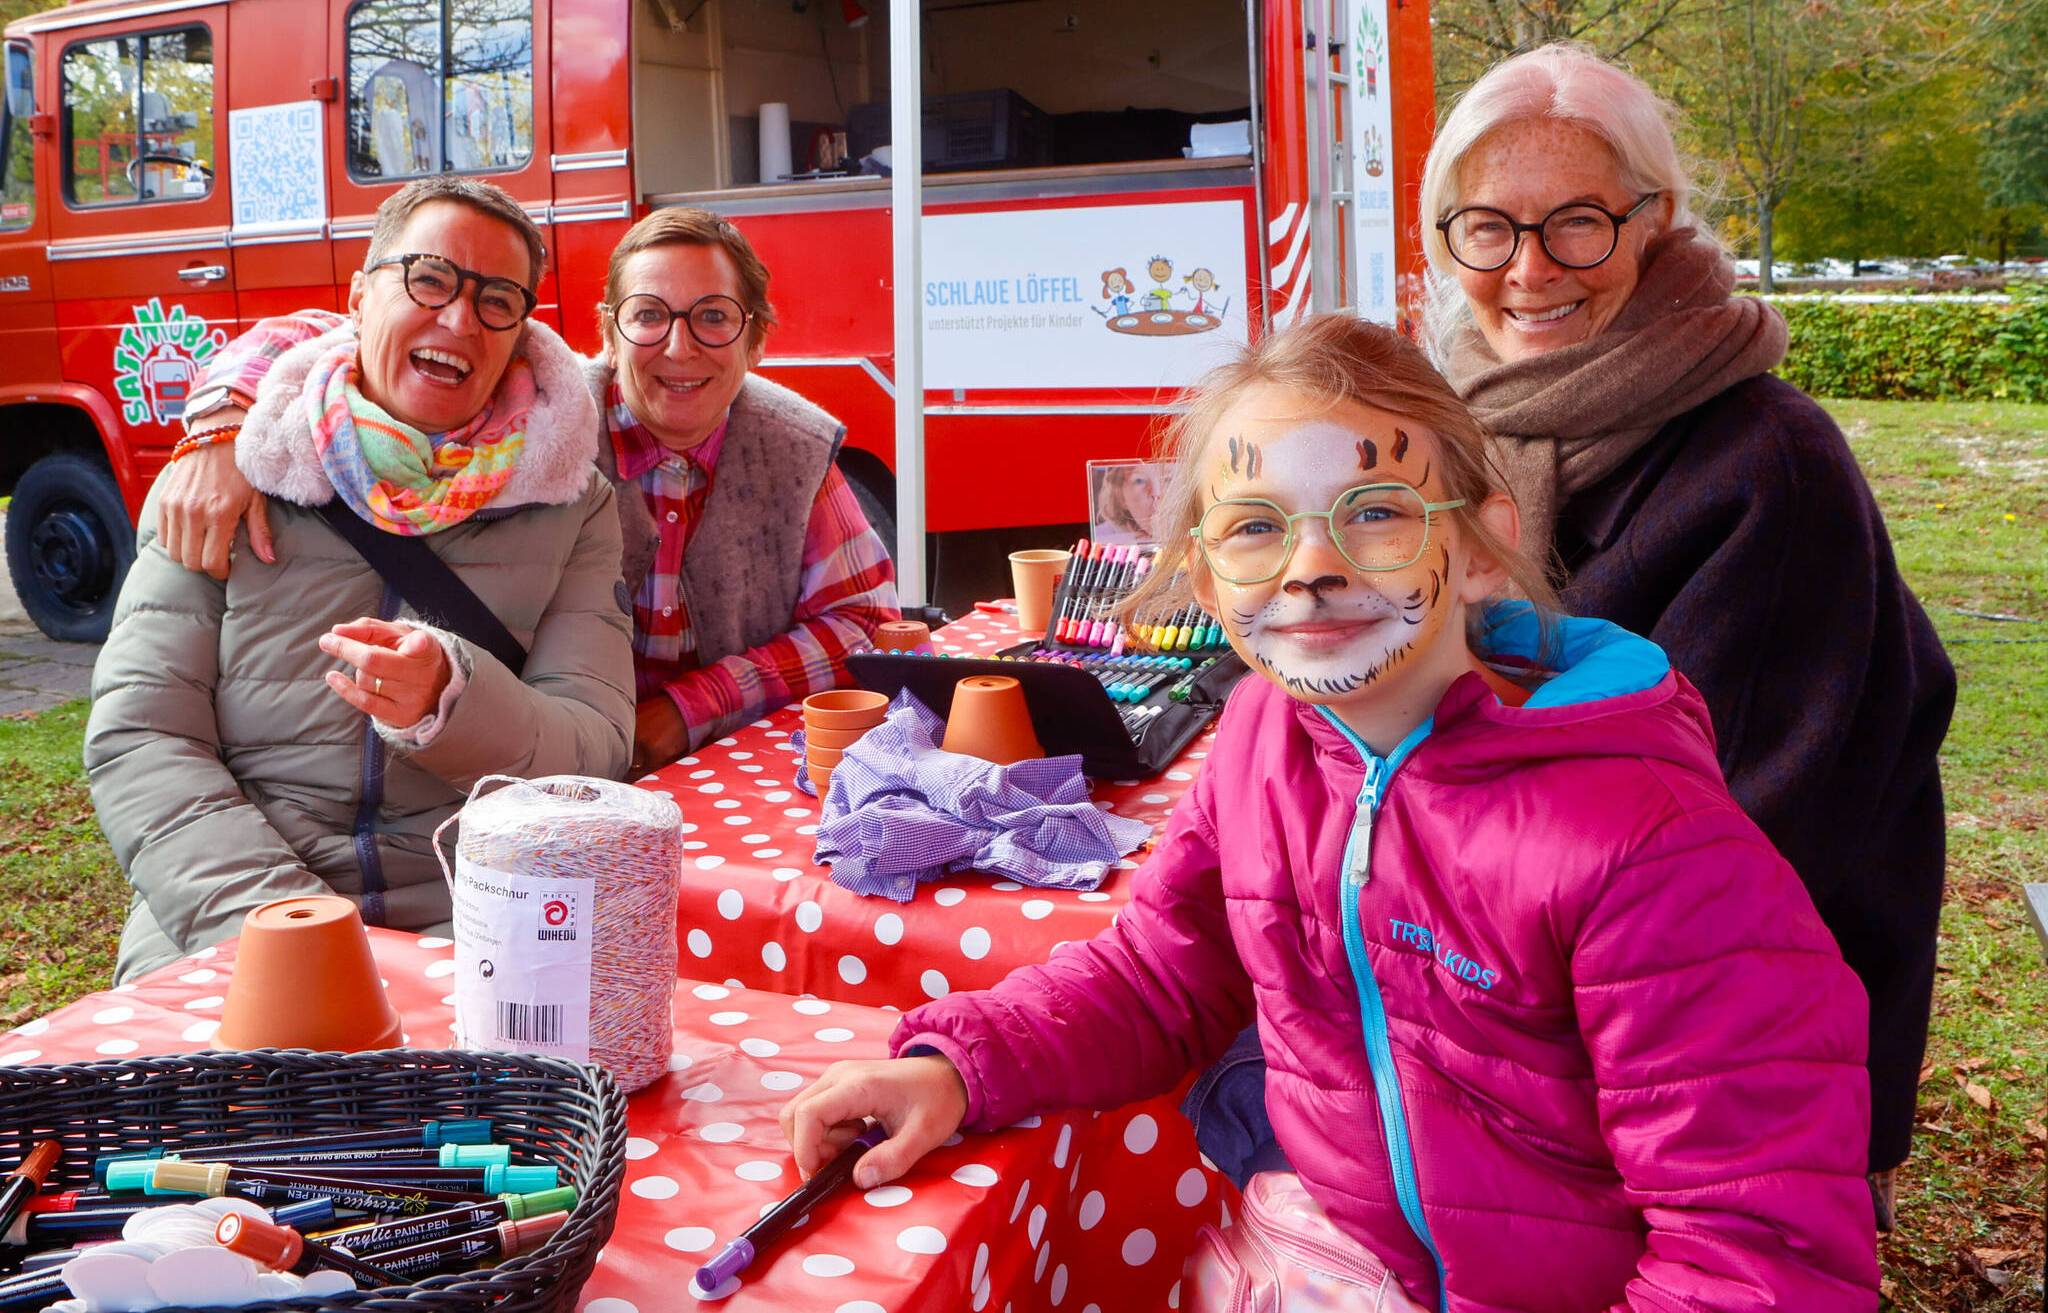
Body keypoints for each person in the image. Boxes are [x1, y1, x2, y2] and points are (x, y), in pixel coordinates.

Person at [779, 315, 1879, 1312]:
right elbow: (1162, 973)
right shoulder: (1260, 736)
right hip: (1333, 1256)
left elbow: (1757, 1250)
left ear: (1481, 548)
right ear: (1203, 578)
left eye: (1377, 512)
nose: (1310, 569)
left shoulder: (1645, 845)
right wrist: (960, 1065)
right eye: (1256, 527)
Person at [1417, 43, 1953, 1213]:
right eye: (1486, 228)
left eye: (1577, 223)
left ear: (1654, 220)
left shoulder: (1767, 465)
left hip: (1733, 1044)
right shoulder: (1469, 418)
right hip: (1553, 981)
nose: (1527, 270)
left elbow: (1729, 848)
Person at [87, 176, 634, 982]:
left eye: (496, 300)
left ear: (520, 332)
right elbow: (141, 736)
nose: (459, 320)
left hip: (474, 924)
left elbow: (593, 748)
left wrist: (453, 698)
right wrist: (290, 933)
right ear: (358, 296)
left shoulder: (573, 503)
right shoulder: (225, 477)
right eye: (429, 278)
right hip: (230, 918)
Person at [155, 208, 898, 775]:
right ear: (608, 331)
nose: (679, 347)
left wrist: (690, 708)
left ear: (755, 338)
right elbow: (345, 331)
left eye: (713, 318)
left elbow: (865, 620)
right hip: (550, 770)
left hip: (724, 771)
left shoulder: (791, 446)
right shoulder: (543, 418)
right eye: (648, 315)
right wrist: (222, 420)